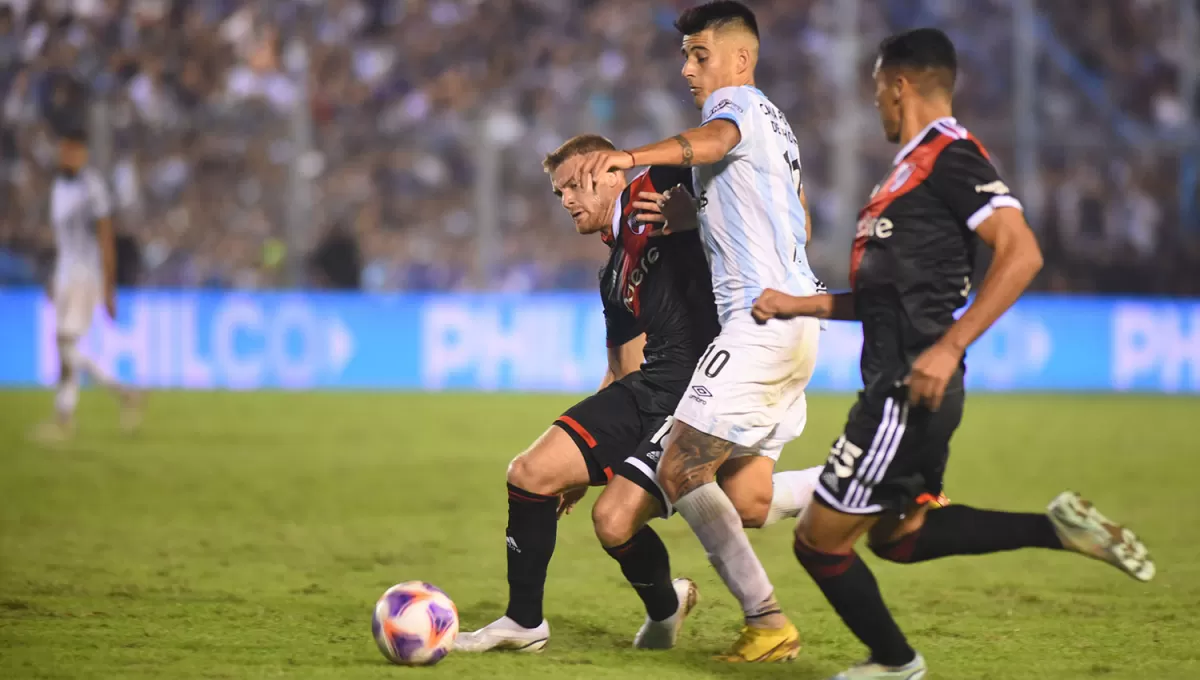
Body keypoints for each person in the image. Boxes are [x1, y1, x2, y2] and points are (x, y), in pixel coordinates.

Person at [751, 28, 1155, 679]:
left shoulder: (949, 155)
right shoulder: (907, 170)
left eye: (878, 89)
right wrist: (802, 305)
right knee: (897, 539)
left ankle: (895, 662)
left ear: (897, 85)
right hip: (910, 383)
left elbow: (1021, 252)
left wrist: (949, 346)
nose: (875, 102)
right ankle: (1055, 529)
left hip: (907, 390)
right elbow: (888, 298)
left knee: (819, 541)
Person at [455, 133, 822, 654]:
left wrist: (692, 207)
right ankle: (562, 619)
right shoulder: (614, 275)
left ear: (611, 173)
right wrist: (584, 464)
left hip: (709, 383)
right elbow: (621, 367)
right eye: (558, 193)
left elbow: (739, 169)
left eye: (574, 185)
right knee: (551, 483)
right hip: (654, 387)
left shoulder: (651, 189)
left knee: (572, 497)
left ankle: (761, 615)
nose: (565, 201)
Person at [574, 1, 821, 661]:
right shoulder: (778, 128)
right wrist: (696, 217)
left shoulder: (735, 106)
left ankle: (768, 622)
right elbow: (797, 213)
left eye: (700, 54)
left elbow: (712, 143)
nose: (688, 68)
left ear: (740, 59)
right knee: (745, 495)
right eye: (684, 55)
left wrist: (626, 156)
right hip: (797, 321)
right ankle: (869, 484)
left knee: (683, 466)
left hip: (758, 324)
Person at [35, 79, 141, 443]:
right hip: (66, 274)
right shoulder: (57, 189)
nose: (69, 156)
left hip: (85, 276)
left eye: (75, 151)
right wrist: (53, 277)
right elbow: (60, 241)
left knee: (64, 342)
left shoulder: (91, 188)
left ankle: (106, 399)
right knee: (65, 349)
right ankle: (78, 412)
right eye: (66, 150)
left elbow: (106, 239)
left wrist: (109, 287)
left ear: (83, 154)